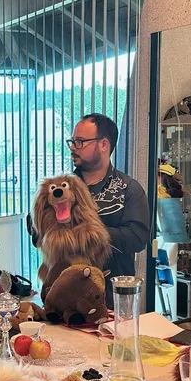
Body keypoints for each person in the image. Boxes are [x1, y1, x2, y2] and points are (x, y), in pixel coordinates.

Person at [67, 113, 150, 308]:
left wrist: (89, 232)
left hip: (113, 301)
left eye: (80, 142)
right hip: (66, 295)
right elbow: (36, 232)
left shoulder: (128, 189)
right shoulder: (63, 187)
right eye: (72, 141)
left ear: (104, 144)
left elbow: (138, 238)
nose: (72, 147)